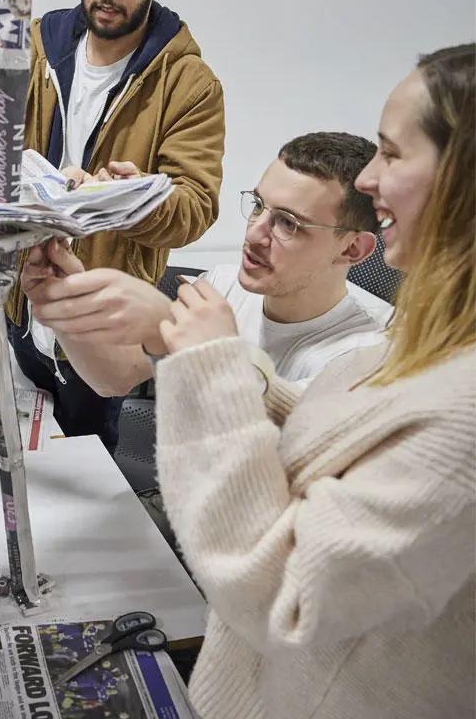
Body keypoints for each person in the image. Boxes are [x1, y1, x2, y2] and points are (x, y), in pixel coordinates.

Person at [149, 45, 474, 717]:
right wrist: (248, 380)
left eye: (390, 153)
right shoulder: (441, 336)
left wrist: (215, 376)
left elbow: (283, 593)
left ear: (461, 180)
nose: (370, 180)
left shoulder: (461, 411)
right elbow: (361, 442)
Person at [0, 0, 225, 451]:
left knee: (92, 474)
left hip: (100, 323)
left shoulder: (189, 83)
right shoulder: (41, 42)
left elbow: (195, 207)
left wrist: (132, 198)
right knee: (21, 458)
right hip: (21, 300)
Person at [23, 131, 391, 396]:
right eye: (259, 206)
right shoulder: (224, 286)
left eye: (288, 223)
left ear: (353, 249)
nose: (253, 235)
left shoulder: (370, 352)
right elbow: (115, 379)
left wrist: (166, 327)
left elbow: (274, 463)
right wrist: (60, 299)